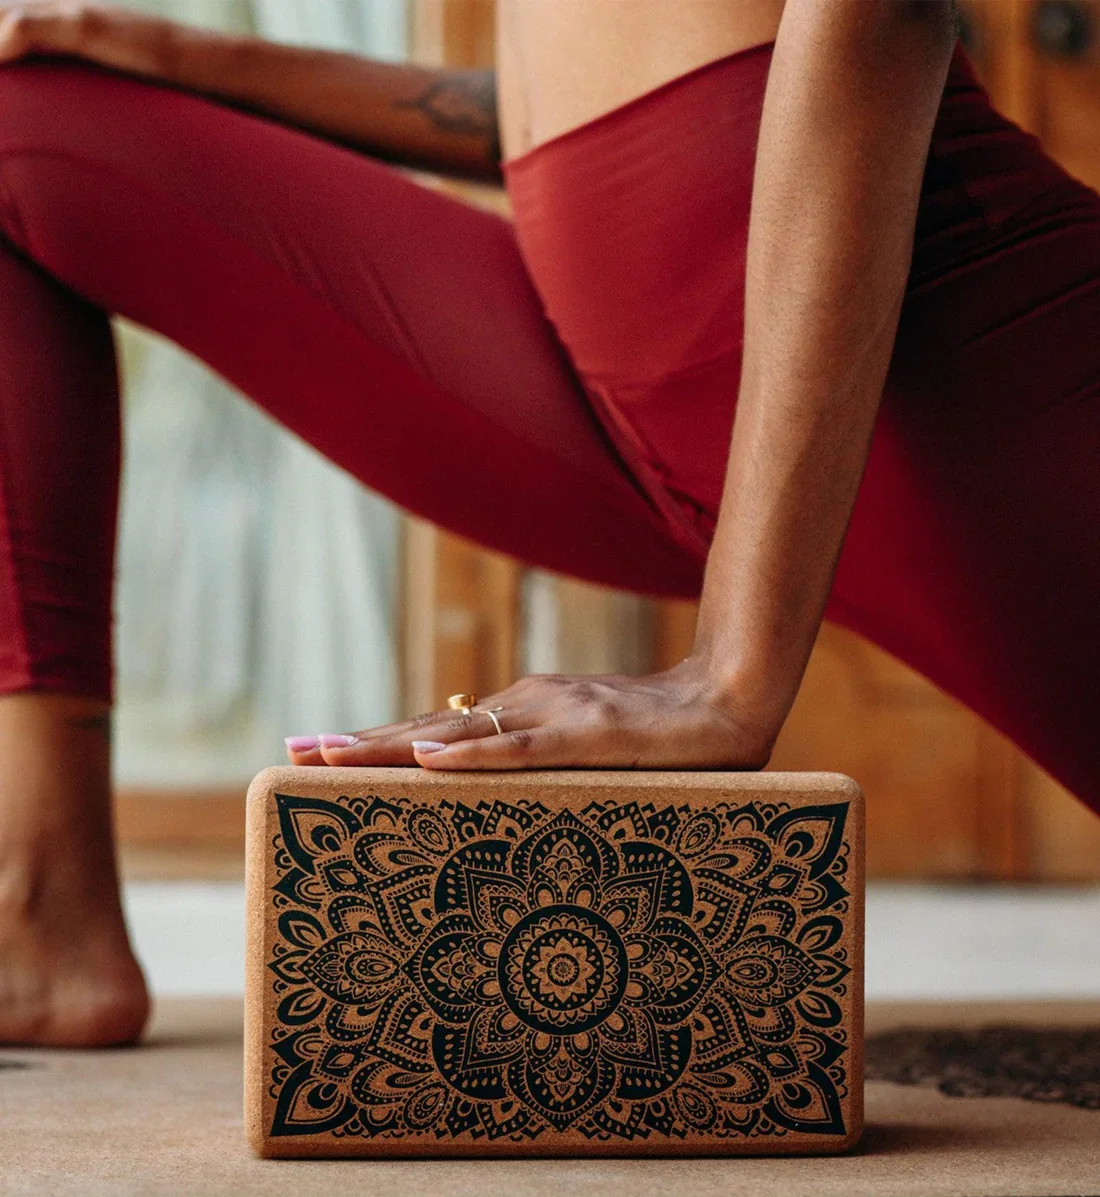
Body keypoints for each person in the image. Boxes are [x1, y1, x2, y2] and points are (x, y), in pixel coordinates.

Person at [0, 0, 1097, 1047]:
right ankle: (40, 912)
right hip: (621, 414)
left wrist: (729, 671)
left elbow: (879, 13)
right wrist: (161, 49)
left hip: (962, 366)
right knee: (22, 125)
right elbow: (553, 97)